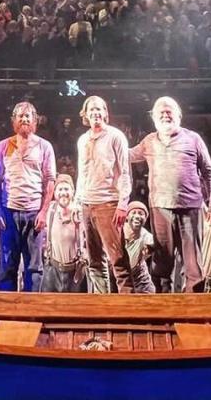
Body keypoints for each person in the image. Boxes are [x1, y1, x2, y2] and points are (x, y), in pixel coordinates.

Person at [128, 96, 211, 293]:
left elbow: (209, 172)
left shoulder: (193, 138)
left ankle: (193, 308)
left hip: (190, 207)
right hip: (160, 207)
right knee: (162, 261)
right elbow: (127, 155)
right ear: (154, 118)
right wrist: (111, 142)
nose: (165, 115)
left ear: (179, 115)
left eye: (169, 111)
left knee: (193, 263)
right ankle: (163, 307)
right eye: (160, 112)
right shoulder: (149, 141)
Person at [0, 101, 56, 292]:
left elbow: (50, 180)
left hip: (33, 212)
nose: (24, 118)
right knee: (7, 266)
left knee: (34, 268)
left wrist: (44, 212)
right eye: (20, 115)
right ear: (14, 121)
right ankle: (6, 313)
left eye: (28, 116)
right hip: (9, 211)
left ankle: (31, 313)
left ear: (35, 121)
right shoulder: (3, 146)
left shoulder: (45, 146)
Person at [75, 96, 133, 293]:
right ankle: (102, 305)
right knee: (94, 261)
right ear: (85, 114)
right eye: (91, 109)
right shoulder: (82, 140)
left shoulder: (116, 137)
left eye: (99, 109)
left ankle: (128, 307)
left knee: (117, 259)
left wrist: (123, 203)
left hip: (108, 203)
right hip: (86, 204)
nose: (95, 113)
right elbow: (81, 173)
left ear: (106, 113)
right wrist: (77, 201)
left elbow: (125, 172)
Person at [40, 175, 87, 293]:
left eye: (66, 189)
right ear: (55, 192)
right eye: (60, 189)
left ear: (73, 191)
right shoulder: (50, 210)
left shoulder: (80, 212)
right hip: (52, 271)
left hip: (75, 272)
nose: (63, 193)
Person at [122, 202, 155, 293]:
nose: (137, 216)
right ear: (127, 216)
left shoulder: (145, 235)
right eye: (134, 212)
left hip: (139, 279)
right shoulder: (119, 232)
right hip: (119, 277)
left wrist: (149, 251)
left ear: (145, 219)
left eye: (141, 214)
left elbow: (157, 244)